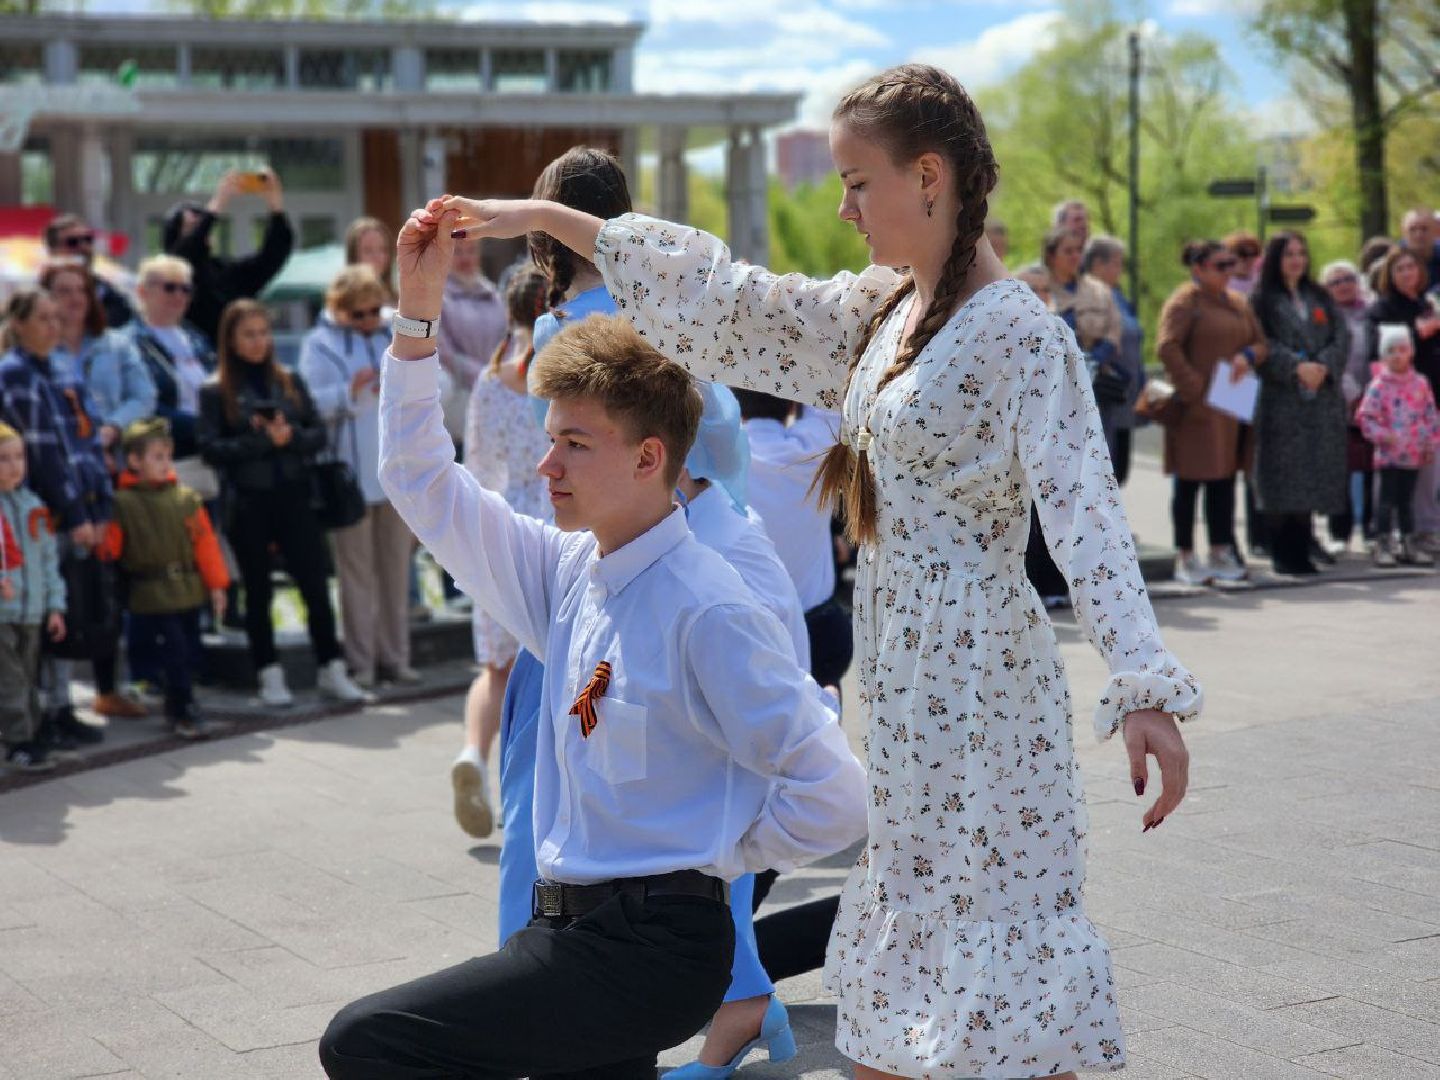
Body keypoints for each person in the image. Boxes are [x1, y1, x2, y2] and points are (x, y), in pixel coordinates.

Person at [444, 61, 1201, 1080]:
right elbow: (733, 301)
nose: (843, 207)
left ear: (928, 177)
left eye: (857, 182)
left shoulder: (1020, 331)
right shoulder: (883, 311)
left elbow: (1086, 509)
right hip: (900, 666)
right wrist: (544, 215)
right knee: (914, 930)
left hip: (982, 674)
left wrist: (1141, 681)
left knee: (996, 936)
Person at [321, 215, 869, 1078]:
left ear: (652, 457)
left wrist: (713, 849)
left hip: (648, 949)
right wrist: (416, 313)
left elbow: (835, 795)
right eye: (550, 441)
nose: (549, 468)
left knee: (368, 1041)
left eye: (575, 444)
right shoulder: (568, 569)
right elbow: (419, 480)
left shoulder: (708, 606)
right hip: (572, 929)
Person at [197, 300, 366, 709]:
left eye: (263, 332)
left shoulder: (288, 379)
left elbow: (317, 436)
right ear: (232, 341)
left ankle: (332, 667)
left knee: (314, 585)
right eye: (249, 334)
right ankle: (268, 673)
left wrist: (288, 437)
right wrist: (261, 441)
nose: (259, 342)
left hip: (296, 496)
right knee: (257, 592)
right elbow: (210, 448)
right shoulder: (215, 389)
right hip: (248, 502)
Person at [452, 264, 551, 839]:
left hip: (503, 516)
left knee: (495, 668)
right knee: (552, 659)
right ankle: (533, 787)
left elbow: (479, 464)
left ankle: (473, 753)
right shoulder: (558, 370)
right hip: (555, 516)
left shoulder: (490, 380)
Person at [0, 287, 120, 749]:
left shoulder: (63, 367)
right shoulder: (14, 375)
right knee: (37, 617)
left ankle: (61, 705)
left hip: (80, 507)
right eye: (44, 318)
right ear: (18, 325)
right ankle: (36, 716)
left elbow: (87, 444)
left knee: (64, 609)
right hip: (42, 514)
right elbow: (43, 455)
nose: (56, 325)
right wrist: (73, 513)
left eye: (57, 317)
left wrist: (100, 505)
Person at [301, 266, 415, 690]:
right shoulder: (319, 343)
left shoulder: (392, 333)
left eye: (374, 310)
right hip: (348, 478)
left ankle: (396, 659)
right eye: (360, 314)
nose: (370, 319)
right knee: (356, 577)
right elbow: (310, 402)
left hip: (394, 474)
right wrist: (348, 391)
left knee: (395, 571)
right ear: (339, 309)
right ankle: (362, 665)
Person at [97, 418, 232, 737]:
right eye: (156, 456)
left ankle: (181, 703)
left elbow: (205, 543)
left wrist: (217, 585)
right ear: (134, 461)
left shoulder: (185, 498)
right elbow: (111, 550)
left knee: (185, 649)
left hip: (187, 589)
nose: (164, 463)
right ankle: (182, 707)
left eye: (167, 456)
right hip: (149, 593)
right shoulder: (122, 503)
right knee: (173, 649)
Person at [1156, 240, 1265, 585]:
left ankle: (1220, 550)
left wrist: (1247, 357)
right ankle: (1185, 556)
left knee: (1224, 479)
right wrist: (1194, 389)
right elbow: (1167, 346)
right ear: (1198, 268)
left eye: (1231, 264)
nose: (1229, 271)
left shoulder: (1237, 302)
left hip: (1231, 403)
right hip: (1196, 408)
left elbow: (1262, 342)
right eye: (1221, 265)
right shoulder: (1185, 302)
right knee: (1189, 481)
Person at [734, 389, 853, 688]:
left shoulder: (720, 459)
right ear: (792, 403)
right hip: (818, 633)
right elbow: (830, 400)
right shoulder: (812, 451)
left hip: (748, 636)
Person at [1249, 231, 1349, 576]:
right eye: (1288, 254)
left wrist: (1324, 365)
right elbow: (1260, 342)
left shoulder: (1318, 296)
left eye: (1301, 253)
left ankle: (1305, 546)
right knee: (1283, 476)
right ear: (1276, 259)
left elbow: (1342, 335)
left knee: (1311, 473)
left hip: (1320, 397)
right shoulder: (1261, 300)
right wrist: (1295, 366)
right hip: (1282, 397)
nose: (1296, 260)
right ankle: (1283, 550)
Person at [41, 259, 157, 467]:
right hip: (59, 459)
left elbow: (144, 396)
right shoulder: (38, 350)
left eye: (82, 290)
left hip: (118, 457)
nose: (75, 298)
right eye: (64, 291)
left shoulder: (117, 344)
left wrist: (113, 427)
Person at [163, 168, 294, 346]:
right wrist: (219, 202)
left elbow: (269, 260)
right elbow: (185, 255)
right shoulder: (173, 277)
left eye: (205, 226)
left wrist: (275, 207)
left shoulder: (222, 271)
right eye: (195, 226)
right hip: (195, 357)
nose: (204, 231)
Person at [0, 422, 66, 772]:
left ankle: (31, 732)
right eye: (3, 459)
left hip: (32, 610)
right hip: (2, 612)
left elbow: (48, 559)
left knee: (27, 677)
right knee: (9, 679)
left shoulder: (33, 505)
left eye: (19, 457)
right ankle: (18, 741)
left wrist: (56, 605)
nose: (13, 466)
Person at [1366, 246, 1440, 550]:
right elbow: (1381, 349)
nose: (1408, 273)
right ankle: (1389, 529)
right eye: (1400, 269)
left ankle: (1425, 527)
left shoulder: (1427, 304)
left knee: (1428, 465)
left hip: (1429, 396)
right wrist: (1418, 332)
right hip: (1395, 401)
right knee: (1394, 469)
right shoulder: (1382, 309)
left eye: (1412, 267)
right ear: (1389, 275)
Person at [1357, 325, 1440, 567]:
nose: (1397, 355)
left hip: (1414, 454)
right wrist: (1383, 435)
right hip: (1388, 455)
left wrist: (1429, 443)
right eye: (1391, 350)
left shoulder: (1420, 383)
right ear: (1383, 356)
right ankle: (1383, 542)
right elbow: (1365, 417)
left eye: (1402, 349)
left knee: (1407, 501)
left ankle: (1408, 541)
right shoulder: (1379, 386)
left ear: (1411, 352)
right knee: (1386, 500)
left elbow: (1430, 415)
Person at [1322, 259, 1375, 550]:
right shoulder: (1323, 316)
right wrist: (1352, 393)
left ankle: (1369, 529)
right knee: (1338, 468)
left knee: (1369, 467)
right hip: (1337, 400)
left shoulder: (1369, 311)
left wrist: (1372, 394)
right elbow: (1329, 357)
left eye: (1348, 278)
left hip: (1373, 398)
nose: (1343, 285)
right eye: (1335, 281)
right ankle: (1338, 533)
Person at [1083, 235, 1145, 485]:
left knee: (1119, 473)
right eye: (1117, 263)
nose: (1120, 270)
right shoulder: (1088, 295)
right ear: (1098, 264)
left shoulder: (1117, 295)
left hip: (1125, 396)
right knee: (1105, 474)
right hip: (1105, 394)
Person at [437, 232, 508, 442]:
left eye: (471, 251)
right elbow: (443, 352)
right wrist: (486, 376)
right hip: (459, 397)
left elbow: (508, 339)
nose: (465, 258)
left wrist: (503, 373)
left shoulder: (494, 295)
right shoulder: (438, 297)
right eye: (457, 251)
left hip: (497, 390)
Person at [43, 213, 136, 329]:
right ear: (53, 251)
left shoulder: (110, 294)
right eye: (73, 242)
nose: (84, 247)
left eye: (88, 240)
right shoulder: (40, 294)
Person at [344, 217, 396, 306]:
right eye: (368, 250)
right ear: (353, 256)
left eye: (383, 249)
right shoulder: (343, 302)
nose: (377, 257)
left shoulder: (398, 300)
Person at [1400, 206, 1440, 287]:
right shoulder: (1393, 261)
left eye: (1424, 229)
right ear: (1403, 232)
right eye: (1412, 229)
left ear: (1436, 231)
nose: (1418, 235)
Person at [1223, 231, 1263, 297]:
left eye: (1254, 254)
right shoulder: (1221, 283)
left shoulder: (1262, 282)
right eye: (1243, 254)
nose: (1249, 259)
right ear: (1228, 255)